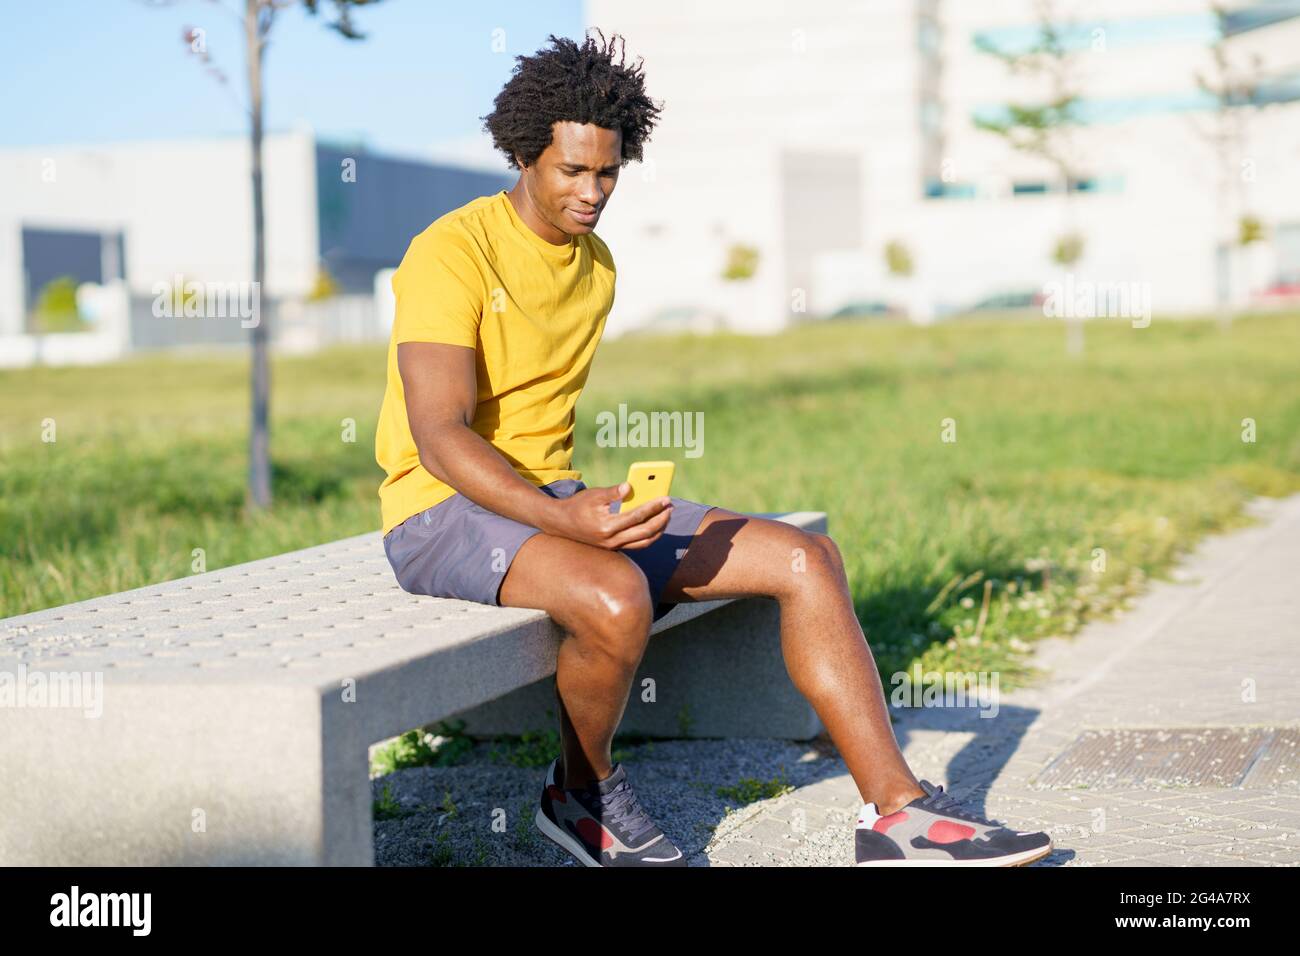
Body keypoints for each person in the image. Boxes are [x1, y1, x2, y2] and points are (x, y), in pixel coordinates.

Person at [375, 29, 1053, 868]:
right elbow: (439, 438)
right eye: (572, 171)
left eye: (608, 172)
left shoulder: (596, 265)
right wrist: (575, 525)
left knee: (806, 558)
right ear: (523, 155)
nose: (593, 192)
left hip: (549, 500)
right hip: (440, 512)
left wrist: (580, 509)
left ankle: (899, 816)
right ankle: (579, 794)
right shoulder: (452, 251)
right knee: (617, 597)